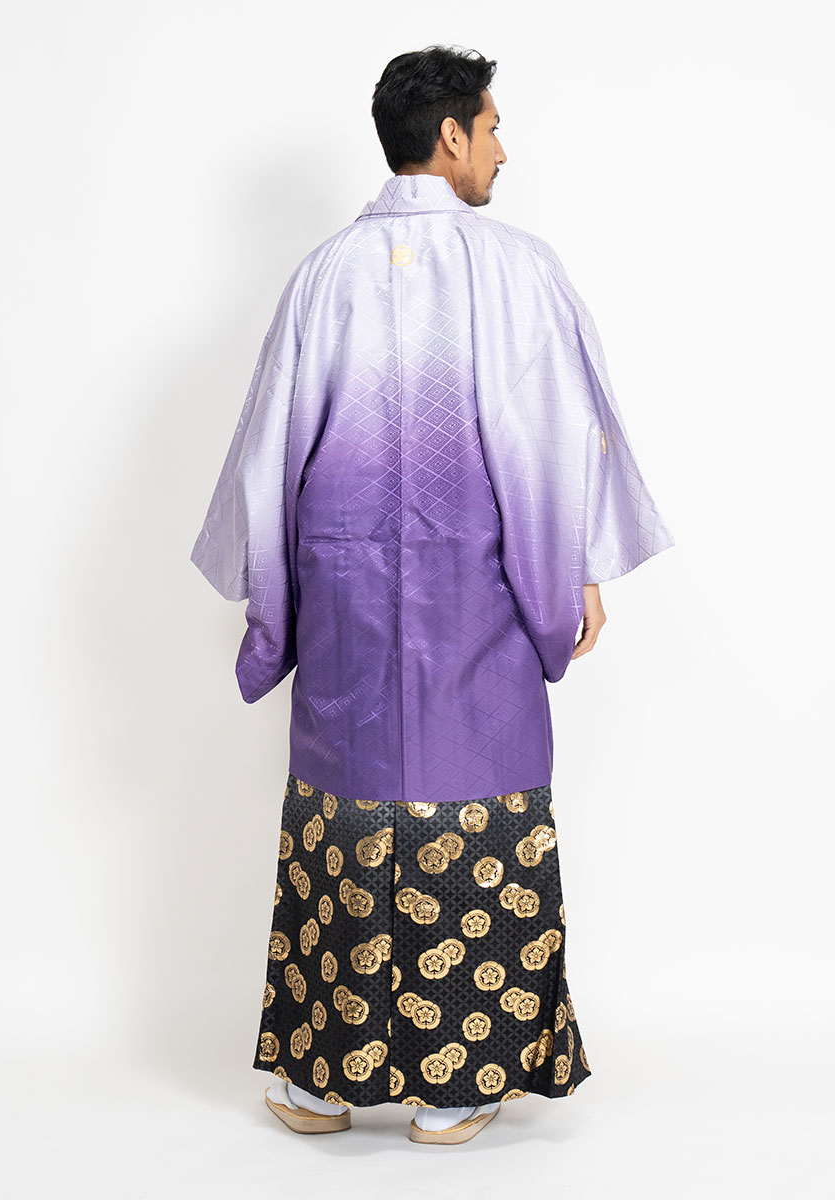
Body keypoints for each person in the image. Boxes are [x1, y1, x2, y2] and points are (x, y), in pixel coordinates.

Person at [190, 44, 675, 1145]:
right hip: (481, 597)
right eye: (491, 127)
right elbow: (557, 437)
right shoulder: (517, 269)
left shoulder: (324, 274)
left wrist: (273, 613)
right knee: (476, 807)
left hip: (348, 600)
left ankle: (321, 1082)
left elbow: (268, 452)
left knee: (349, 814)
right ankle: (456, 1085)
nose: (502, 149)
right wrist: (572, 577)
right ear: (450, 135)